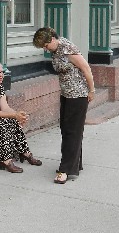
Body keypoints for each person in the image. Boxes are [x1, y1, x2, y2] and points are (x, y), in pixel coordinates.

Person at [32, 28, 95, 184]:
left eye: (46, 45)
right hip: (67, 94)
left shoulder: (67, 48)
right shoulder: (57, 50)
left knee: (72, 132)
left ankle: (65, 169)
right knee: (67, 129)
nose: (45, 49)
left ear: (53, 38)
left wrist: (92, 90)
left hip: (78, 94)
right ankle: (75, 164)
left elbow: (86, 68)